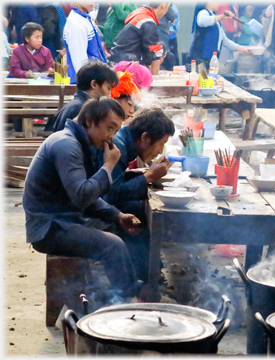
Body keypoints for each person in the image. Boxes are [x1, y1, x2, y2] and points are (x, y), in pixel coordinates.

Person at [23, 96, 144, 299]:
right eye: (109, 128)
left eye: (116, 130)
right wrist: (108, 166)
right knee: (113, 245)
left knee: (120, 227)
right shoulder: (66, 145)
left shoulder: (78, 142)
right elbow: (81, 196)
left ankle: (126, 290)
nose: (111, 137)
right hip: (49, 227)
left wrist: (117, 215)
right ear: (89, 121)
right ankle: (129, 299)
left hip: (63, 219)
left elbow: (85, 194)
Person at [93, 108, 175, 280]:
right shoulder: (120, 146)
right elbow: (110, 195)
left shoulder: (125, 141)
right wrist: (149, 176)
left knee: (140, 207)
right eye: (161, 143)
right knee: (137, 211)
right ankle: (142, 279)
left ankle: (147, 271)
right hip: (83, 208)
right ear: (145, 137)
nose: (161, 151)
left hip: (93, 198)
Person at [51, 60, 119, 132]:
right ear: (94, 84)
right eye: (108, 88)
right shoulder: (86, 109)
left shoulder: (70, 106)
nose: (109, 93)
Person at [107, 3, 170, 76]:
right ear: (163, 6)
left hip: (118, 60)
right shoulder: (147, 21)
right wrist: (154, 81)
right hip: (126, 64)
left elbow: (147, 52)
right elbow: (154, 53)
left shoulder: (141, 15)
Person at [188, 3, 251, 69]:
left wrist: (244, 50)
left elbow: (225, 41)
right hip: (200, 59)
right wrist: (221, 16)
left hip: (209, 60)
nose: (219, 3)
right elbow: (202, 21)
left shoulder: (215, 19)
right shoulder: (203, 12)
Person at [63, 2, 107, 84]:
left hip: (95, 77)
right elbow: (79, 61)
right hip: (87, 82)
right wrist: (88, 85)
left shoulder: (86, 17)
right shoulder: (76, 25)